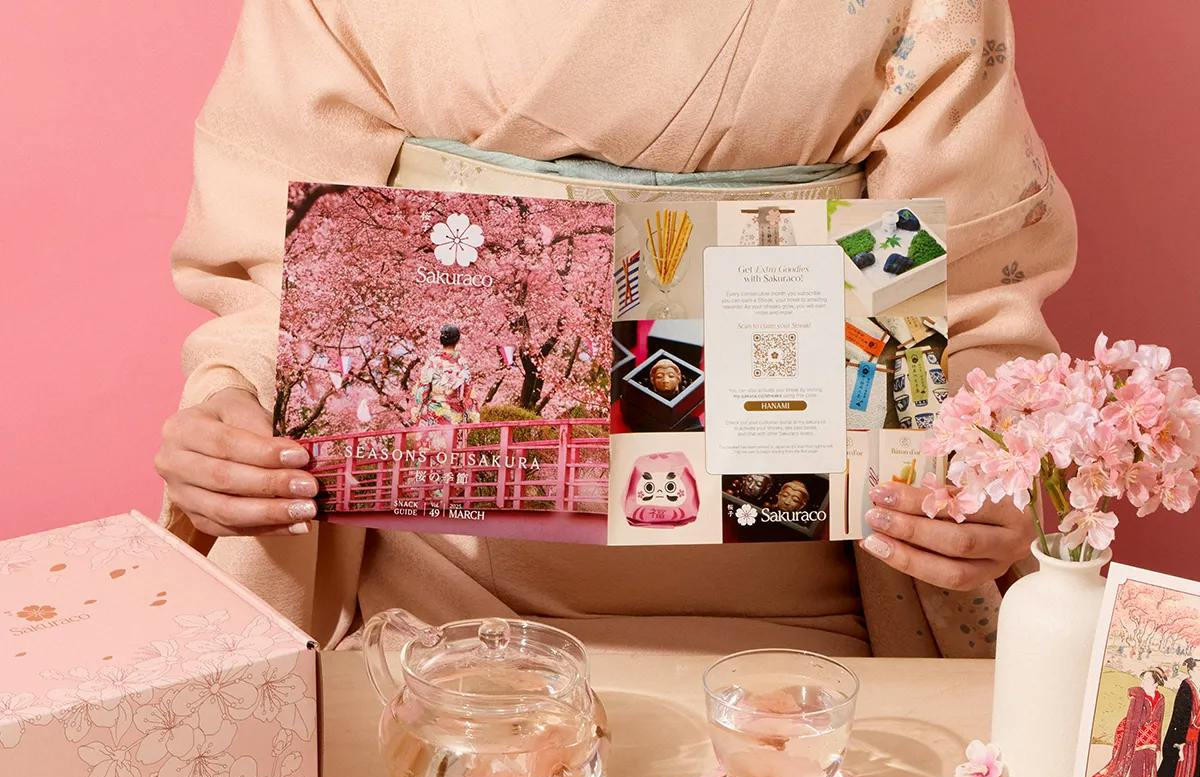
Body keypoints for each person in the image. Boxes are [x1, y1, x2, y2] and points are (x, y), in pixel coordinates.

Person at [155, 1, 1076, 655]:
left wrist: (983, 476)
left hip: (797, 611)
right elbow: (282, 268)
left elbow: (967, 285)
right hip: (429, 606)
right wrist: (233, 412)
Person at [1087, 667, 1167, 777]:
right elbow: (1131, 725)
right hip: (1137, 746)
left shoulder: (1161, 699)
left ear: (1156, 682)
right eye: (1143, 679)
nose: (1143, 682)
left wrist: (1158, 747)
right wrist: (1129, 749)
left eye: (1147, 679)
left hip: (1151, 747)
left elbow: (1159, 725)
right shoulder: (1138, 697)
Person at [1157, 657, 1200, 777]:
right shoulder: (1186, 687)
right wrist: (1180, 743)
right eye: (1198, 669)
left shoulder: (1198, 687)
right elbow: (1179, 717)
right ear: (1191, 671)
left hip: (1195, 741)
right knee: (1179, 776)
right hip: (1183, 741)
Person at [410, 325, 480, 428]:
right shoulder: (462, 362)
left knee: (435, 441)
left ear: (441, 339)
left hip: (435, 411)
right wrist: (473, 415)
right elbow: (468, 391)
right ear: (457, 340)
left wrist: (417, 410)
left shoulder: (433, 360)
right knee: (453, 442)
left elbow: (423, 388)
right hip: (455, 413)